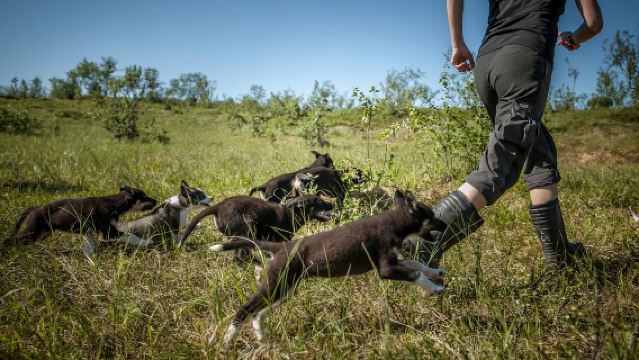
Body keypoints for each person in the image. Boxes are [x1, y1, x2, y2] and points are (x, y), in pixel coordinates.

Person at [420, 0, 603, 269]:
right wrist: (574, 38)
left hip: (487, 60)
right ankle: (423, 240)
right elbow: (593, 22)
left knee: (537, 146)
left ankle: (559, 255)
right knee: (504, 155)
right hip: (524, 55)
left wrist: (457, 43)